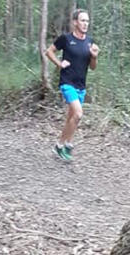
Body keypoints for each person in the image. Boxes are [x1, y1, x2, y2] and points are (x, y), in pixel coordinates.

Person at [45, 9, 99, 162]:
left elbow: (93, 67)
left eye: (87, 21)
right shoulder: (66, 39)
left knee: (72, 117)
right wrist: (59, 64)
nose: (85, 24)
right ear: (75, 22)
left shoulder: (90, 42)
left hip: (81, 85)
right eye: (82, 20)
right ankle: (67, 144)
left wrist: (94, 57)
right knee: (78, 114)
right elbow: (49, 51)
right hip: (67, 83)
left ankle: (60, 145)